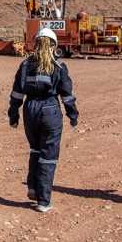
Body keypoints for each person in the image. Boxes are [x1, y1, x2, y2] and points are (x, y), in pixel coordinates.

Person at [8, 28, 79, 212]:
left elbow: (17, 93)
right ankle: (44, 201)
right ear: (54, 45)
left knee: (35, 150)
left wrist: (13, 115)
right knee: (48, 156)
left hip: (30, 111)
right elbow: (67, 95)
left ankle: (33, 188)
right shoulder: (58, 66)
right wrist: (72, 115)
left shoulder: (25, 65)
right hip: (49, 110)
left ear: (36, 43)